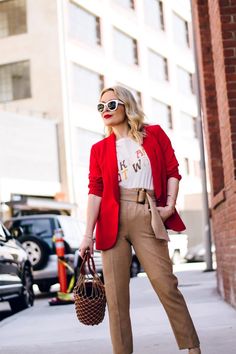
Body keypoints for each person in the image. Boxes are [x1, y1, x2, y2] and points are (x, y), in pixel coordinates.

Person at [79, 85, 201, 354]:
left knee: (166, 284)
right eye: (101, 107)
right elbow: (95, 190)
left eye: (112, 105)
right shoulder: (99, 149)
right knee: (117, 298)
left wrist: (169, 205)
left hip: (148, 211)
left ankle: (192, 347)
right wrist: (88, 234)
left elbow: (172, 171)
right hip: (112, 219)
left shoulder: (153, 134)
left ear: (126, 105)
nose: (106, 111)